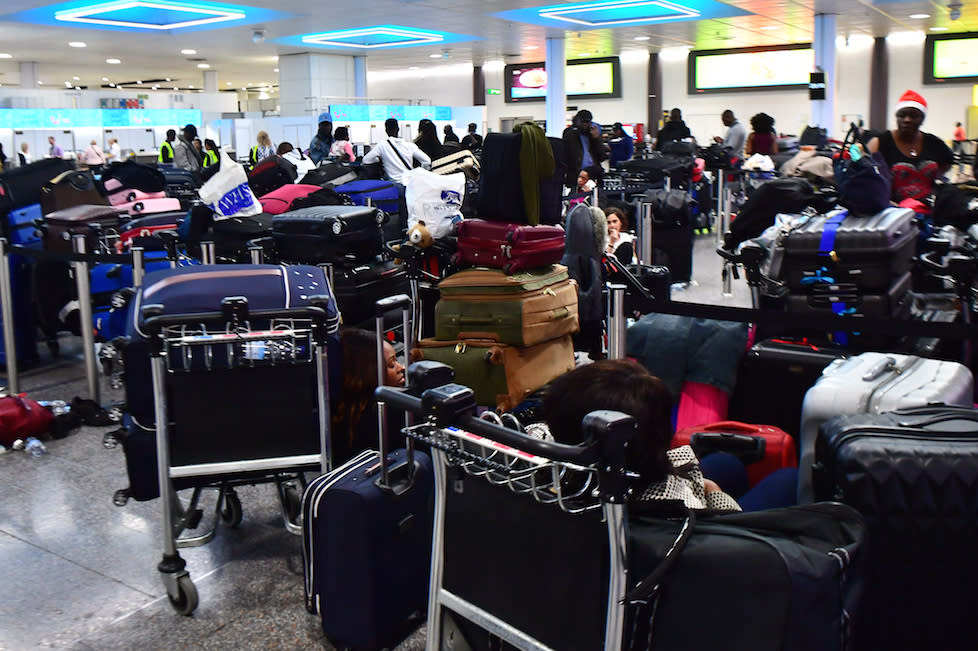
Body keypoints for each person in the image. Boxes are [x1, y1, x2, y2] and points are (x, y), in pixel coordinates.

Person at [542, 359, 798, 512]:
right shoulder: (674, 506)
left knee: (725, 463)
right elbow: (724, 530)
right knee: (788, 480)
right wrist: (715, 494)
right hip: (703, 535)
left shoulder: (544, 473)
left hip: (602, 489)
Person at [330, 328, 405, 465]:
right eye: (391, 364)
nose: (402, 367)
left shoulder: (335, 413)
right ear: (368, 372)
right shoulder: (394, 413)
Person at [867, 90, 953, 203]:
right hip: (892, 210)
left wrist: (934, 176)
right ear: (896, 117)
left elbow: (947, 162)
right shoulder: (880, 142)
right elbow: (865, 174)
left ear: (922, 119)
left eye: (913, 116)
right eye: (902, 115)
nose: (907, 120)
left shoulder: (934, 143)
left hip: (928, 209)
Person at [361, 118, 431, 184]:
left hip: (394, 185)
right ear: (398, 129)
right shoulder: (410, 145)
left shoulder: (382, 145)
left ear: (386, 130)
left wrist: (378, 159)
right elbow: (427, 161)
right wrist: (419, 175)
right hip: (410, 184)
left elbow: (366, 160)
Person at [562, 109, 607, 189]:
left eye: (587, 122)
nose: (585, 125)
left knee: (596, 198)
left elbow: (602, 156)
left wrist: (597, 139)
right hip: (576, 173)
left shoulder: (592, 134)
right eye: (583, 122)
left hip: (592, 172)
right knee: (575, 198)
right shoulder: (571, 133)